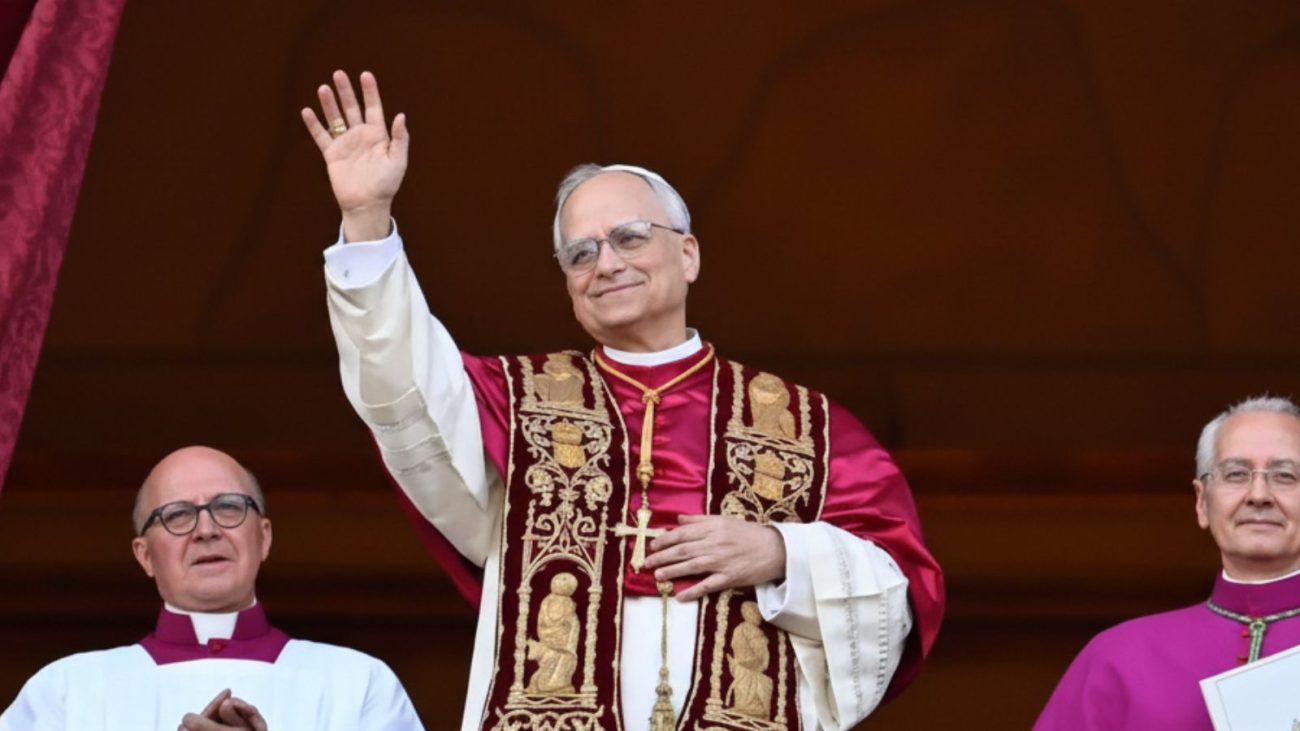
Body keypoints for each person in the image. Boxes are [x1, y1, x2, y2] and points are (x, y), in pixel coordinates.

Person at [304, 70, 945, 731]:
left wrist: (782, 552)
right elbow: (403, 388)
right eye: (580, 253)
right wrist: (366, 218)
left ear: (689, 254)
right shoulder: (514, 404)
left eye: (631, 237)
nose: (606, 263)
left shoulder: (807, 428)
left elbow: (900, 592)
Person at [0, 446, 424, 731]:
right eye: (178, 515)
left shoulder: (358, 683)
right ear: (144, 555)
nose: (206, 530)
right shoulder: (66, 692)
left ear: (265, 537)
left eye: (227, 507)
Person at [1035, 396, 1300, 730]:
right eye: (1236, 474)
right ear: (1202, 501)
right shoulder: (1120, 657)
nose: (1259, 495)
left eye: (1285, 476)